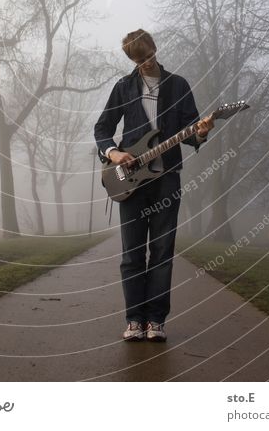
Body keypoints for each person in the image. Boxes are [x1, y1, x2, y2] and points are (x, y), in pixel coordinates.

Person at [94, 29, 213, 342]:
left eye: (147, 57)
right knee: (132, 254)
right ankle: (134, 319)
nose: (144, 64)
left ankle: (156, 321)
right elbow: (102, 128)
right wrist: (115, 153)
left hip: (166, 181)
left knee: (162, 252)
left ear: (155, 50)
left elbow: (192, 133)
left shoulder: (178, 85)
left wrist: (201, 132)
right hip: (130, 183)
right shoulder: (123, 87)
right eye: (137, 60)